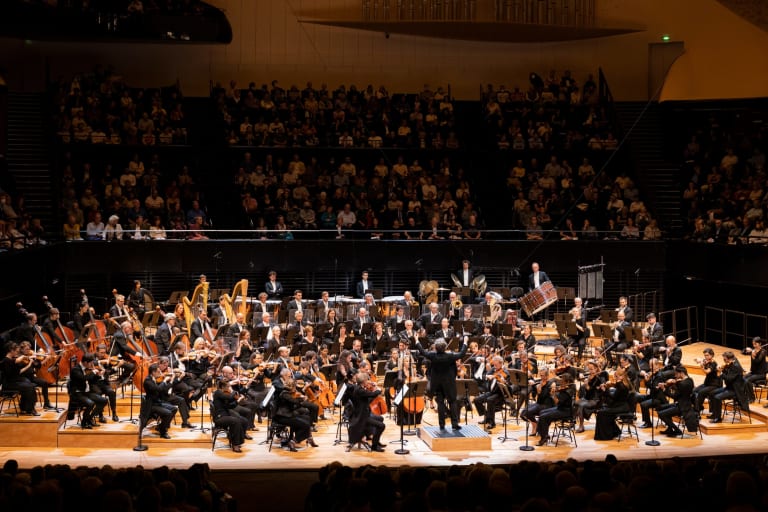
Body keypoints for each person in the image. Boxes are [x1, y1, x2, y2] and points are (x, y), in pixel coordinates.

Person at [416, 336, 467, 430]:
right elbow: (462, 354)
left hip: (437, 383)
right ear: (445, 347)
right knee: (452, 402)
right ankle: (454, 424)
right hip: (449, 383)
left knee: (440, 403)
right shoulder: (450, 355)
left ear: (436, 347)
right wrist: (465, 342)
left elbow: (422, 351)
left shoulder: (432, 355)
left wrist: (416, 340)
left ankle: (442, 425)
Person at [273, 368, 314, 451]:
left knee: (307, 419)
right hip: (282, 417)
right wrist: (302, 399)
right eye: (294, 387)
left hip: (288, 414)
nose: (295, 389)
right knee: (305, 425)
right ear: (291, 386)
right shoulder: (285, 394)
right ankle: (293, 441)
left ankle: (308, 437)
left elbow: (294, 406)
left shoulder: (288, 393)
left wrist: (300, 400)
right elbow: (294, 402)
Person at [347, 372, 386, 451]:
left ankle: (376, 441)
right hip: (362, 417)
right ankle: (374, 446)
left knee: (380, 418)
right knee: (382, 426)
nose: (368, 381)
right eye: (367, 380)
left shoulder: (359, 388)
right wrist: (378, 390)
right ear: (364, 381)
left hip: (364, 413)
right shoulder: (359, 390)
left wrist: (374, 390)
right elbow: (371, 394)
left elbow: (368, 399)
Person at [709, 351, 749, 423]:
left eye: (724, 359)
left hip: (735, 390)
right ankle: (714, 413)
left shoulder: (736, 366)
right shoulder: (731, 363)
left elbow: (729, 379)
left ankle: (718, 418)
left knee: (717, 397)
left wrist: (721, 373)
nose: (724, 360)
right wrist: (722, 369)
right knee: (712, 393)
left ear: (729, 359)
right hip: (729, 387)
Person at [68, 354, 108, 428]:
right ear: (85, 362)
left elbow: (91, 379)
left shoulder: (87, 369)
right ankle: (84, 422)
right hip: (77, 393)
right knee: (90, 403)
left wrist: (98, 375)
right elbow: (83, 379)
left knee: (104, 400)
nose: (92, 364)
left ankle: (89, 418)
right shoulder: (75, 369)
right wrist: (93, 372)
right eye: (91, 363)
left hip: (86, 392)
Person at [593, 367, 633, 440]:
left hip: (620, 407)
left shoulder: (620, 385)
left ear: (621, 376)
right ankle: (614, 432)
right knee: (603, 411)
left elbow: (613, 397)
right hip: (622, 405)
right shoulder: (625, 383)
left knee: (601, 413)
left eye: (616, 376)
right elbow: (617, 396)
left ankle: (606, 435)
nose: (615, 378)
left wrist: (605, 390)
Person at [656, 366, 697, 436]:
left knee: (661, 414)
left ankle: (677, 430)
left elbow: (674, 396)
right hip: (686, 404)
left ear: (681, 373)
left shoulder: (681, 384)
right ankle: (670, 429)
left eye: (676, 374)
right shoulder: (690, 380)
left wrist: (664, 389)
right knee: (661, 407)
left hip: (682, 407)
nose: (675, 376)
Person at [536, 373, 575, 446]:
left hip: (565, 411)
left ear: (567, 382)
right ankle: (545, 434)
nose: (561, 382)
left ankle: (543, 438)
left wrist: (553, 394)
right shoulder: (565, 389)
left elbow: (557, 402)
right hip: (560, 408)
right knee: (542, 412)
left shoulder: (568, 391)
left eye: (563, 381)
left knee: (544, 416)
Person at [212, 380, 250, 452]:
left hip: (226, 414)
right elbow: (229, 397)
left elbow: (230, 406)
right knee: (235, 421)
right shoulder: (218, 392)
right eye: (228, 386)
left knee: (244, 421)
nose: (229, 388)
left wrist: (238, 400)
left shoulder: (223, 394)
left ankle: (235, 439)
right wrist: (233, 392)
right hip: (220, 417)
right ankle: (235, 444)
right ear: (223, 387)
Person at [2, 342, 39, 415]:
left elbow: (19, 372)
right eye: (16, 351)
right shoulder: (6, 361)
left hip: (14, 381)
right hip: (9, 384)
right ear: (11, 350)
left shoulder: (12, 360)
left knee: (30, 384)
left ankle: (24, 407)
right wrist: (23, 357)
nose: (17, 353)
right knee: (29, 387)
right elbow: (10, 375)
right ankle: (30, 409)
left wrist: (29, 365)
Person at [141, 363, 176, 439]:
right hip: (151, 405)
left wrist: (171, 381)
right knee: (168, 413)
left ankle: (161, 427)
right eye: (158, 372)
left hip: (157, 402)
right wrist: (164, 381)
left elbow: (163, 390)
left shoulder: (154, 379)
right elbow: (159, 389)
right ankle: (163, 432)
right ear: (153, 372)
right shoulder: (147, 381)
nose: (160, 373)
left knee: (174, 408)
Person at [694, 347, 721, 413]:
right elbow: (696, 359)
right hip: (707, 383)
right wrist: (699, 360)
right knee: (694, 390)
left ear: (711, 355)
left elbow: (707, 371)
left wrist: (702, 367)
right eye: (705, 355)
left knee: (701, 392)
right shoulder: (706, 361)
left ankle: (697, 409)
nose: (706, 357)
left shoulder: (713, 363)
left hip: (714, 384)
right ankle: (699, 406)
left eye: (707, 355)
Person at [744, 336, 767, 401]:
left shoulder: (763, 352)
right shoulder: (753, 350)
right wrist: (746, 350)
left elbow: (757, 362)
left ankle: (751, 397)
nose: (754, 345)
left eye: (755, 344)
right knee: (743, 378)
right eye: (753, 344)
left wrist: (753, 356)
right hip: (753, 372)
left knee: (747, 381)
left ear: (759, 343)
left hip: (760, 374)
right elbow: (742, 352)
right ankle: (746, 395)